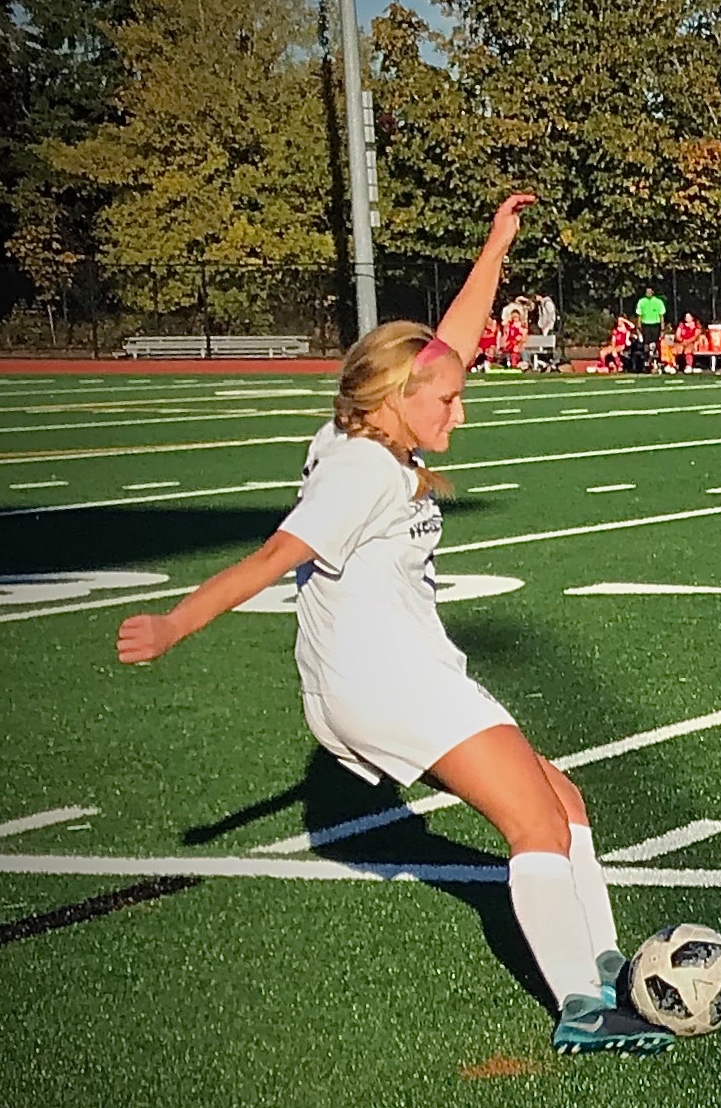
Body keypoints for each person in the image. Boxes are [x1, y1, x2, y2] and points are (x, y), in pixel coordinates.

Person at [114, 194, 674, 1057]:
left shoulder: (378, 433)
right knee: (534, 823)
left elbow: (448, 340)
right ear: (395, 397)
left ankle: (602, 970)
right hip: (385, 681)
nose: (460, 410)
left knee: (564, 801)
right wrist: (172, 626)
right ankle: (582, 1004)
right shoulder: (362, 475)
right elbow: (268, 560)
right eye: (446, 401)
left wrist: (496, 245)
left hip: (406, 673)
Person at [635, 286, 667, 363]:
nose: (648, 293)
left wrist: (662, 329)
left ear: (653, 292)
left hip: (656, 325)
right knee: (646, 344)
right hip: (646, 325)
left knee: (655, 344)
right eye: (647, 292)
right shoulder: (641, 301)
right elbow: (639, 315)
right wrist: (638, 327)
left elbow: (661, 316)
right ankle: (646, 361)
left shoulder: (658, 302)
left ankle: (657, 361)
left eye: (650, 292)